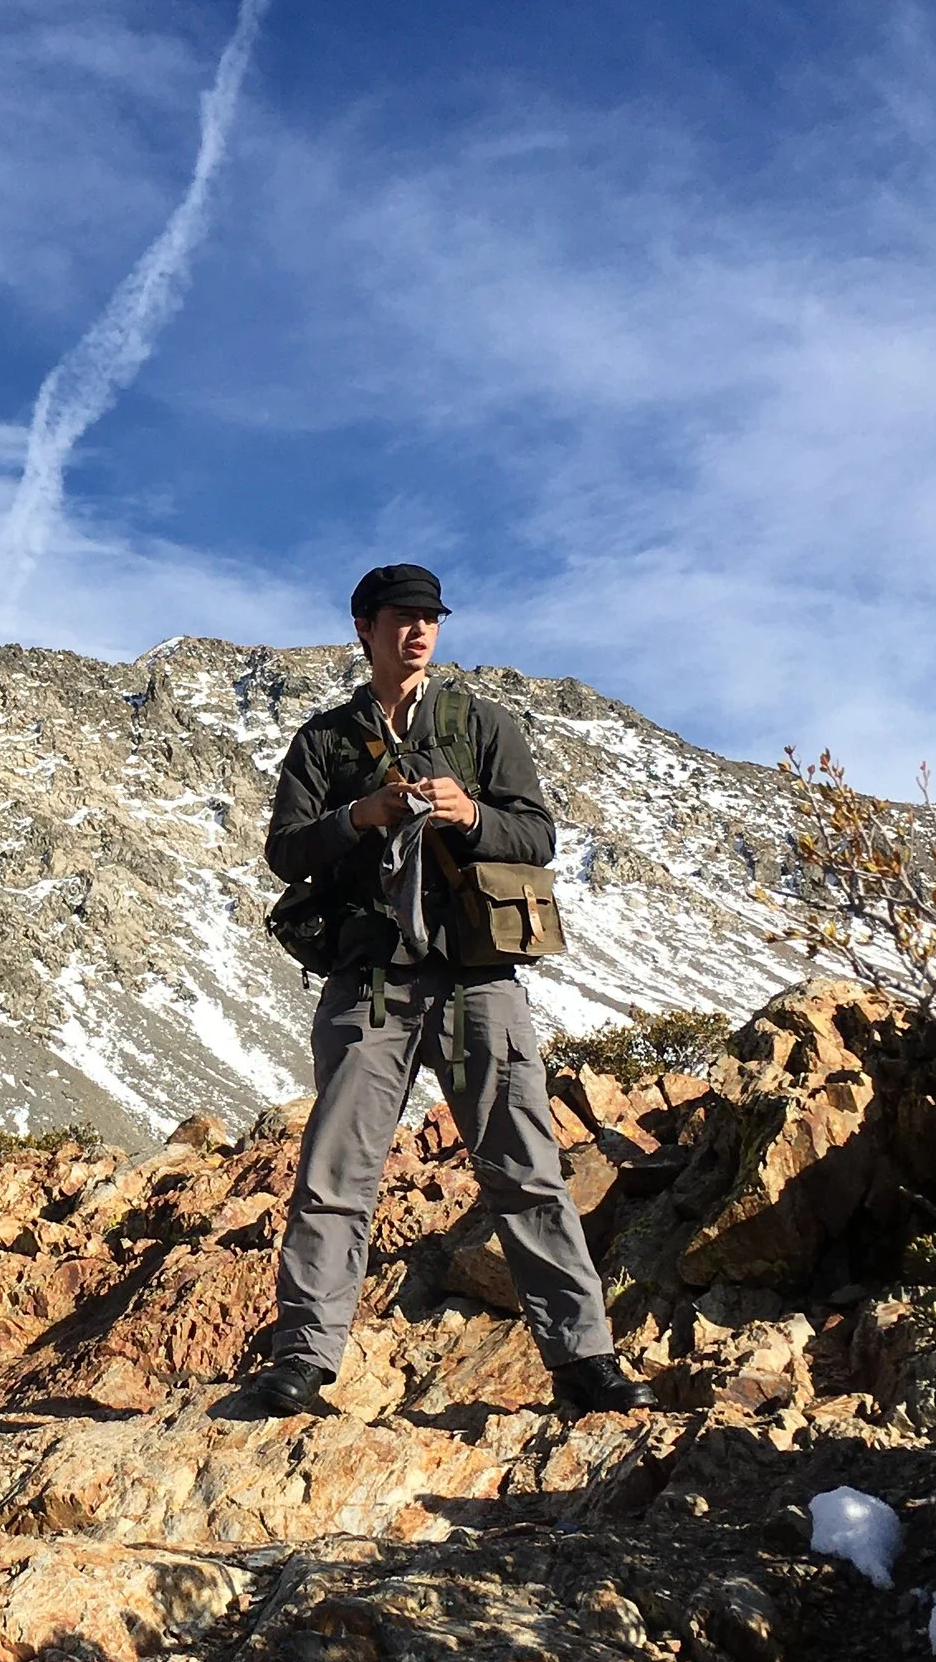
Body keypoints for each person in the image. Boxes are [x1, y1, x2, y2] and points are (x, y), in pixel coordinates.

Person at [238, 562, 650, 1419]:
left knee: (525, 1168)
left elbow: (536, 836)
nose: (419, 630)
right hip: (370, 980)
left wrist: (469, 816)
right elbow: (285, 850)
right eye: (401, 616)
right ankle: (303, 1360)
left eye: (430, 617)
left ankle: (585, 1360)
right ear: (364, 628)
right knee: (335, 1174)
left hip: (477, 976)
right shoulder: (325, 741)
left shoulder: (483, 724)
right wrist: (361, 817)